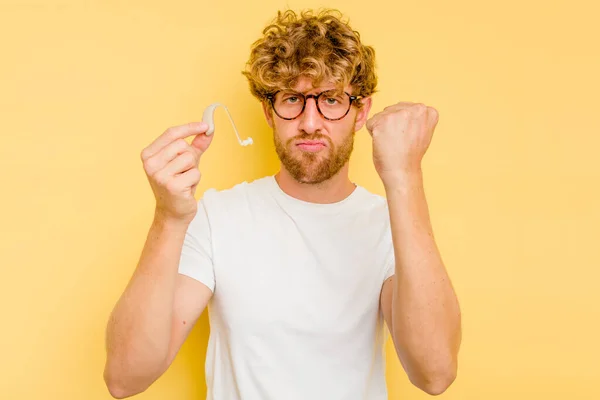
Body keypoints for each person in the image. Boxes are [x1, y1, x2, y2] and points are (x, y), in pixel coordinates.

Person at [103, 8, 462, 400]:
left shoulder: (392, 224)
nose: (310, 122)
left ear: (361, 111)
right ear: (268, 112)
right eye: (293, 99)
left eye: (330, 99)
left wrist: (405, 175)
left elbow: (435, 373)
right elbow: (125, 377)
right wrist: (168, 218)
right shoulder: (218, 216)